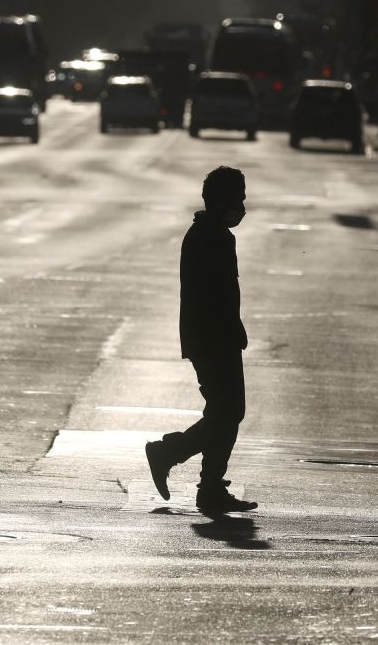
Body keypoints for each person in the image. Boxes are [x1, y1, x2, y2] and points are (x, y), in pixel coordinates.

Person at [145, 166, 257, 514]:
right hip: (213, 339)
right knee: (228, 411)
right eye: (236, 198)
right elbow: (214, 294)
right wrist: (229, 330)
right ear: (221, 200)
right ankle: (171, 455)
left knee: (224, 411)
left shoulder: (210, 233)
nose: (241, 205)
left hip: (213, 337)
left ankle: (209, 485)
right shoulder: (211, 236)